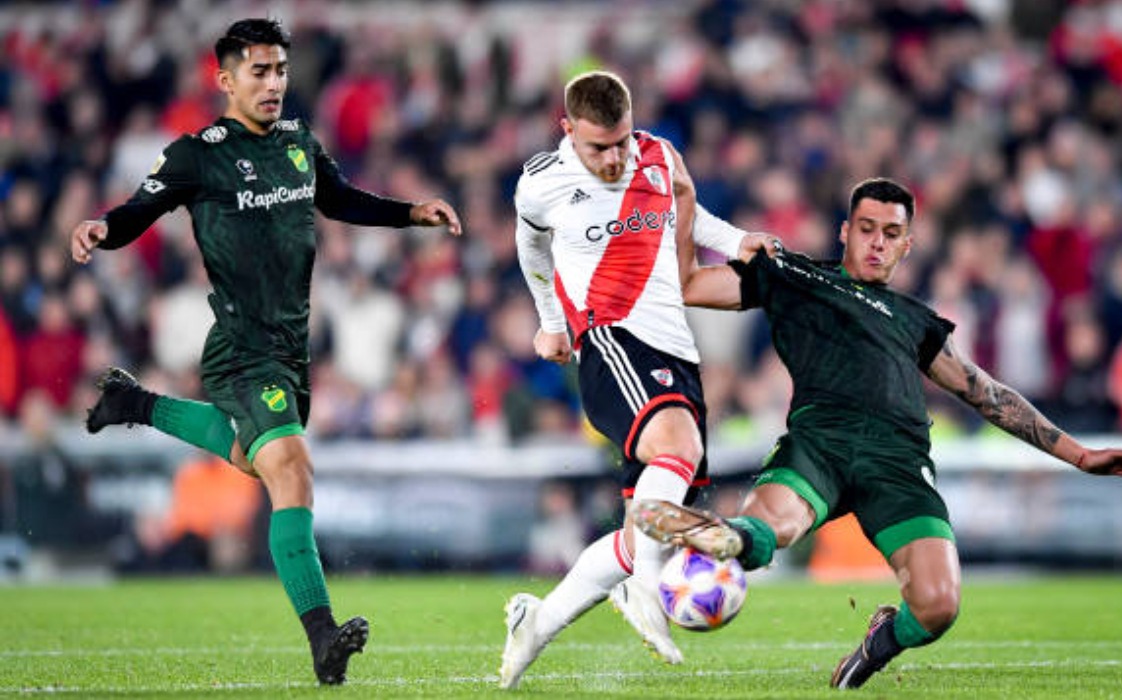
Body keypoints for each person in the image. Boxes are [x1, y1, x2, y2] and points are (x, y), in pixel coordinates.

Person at [633, 178, 1122, 690]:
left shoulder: (916, 320)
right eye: (865, 229)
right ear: (844, 231)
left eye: (889, 232)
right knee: (776, 528)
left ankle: (880, 640)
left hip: (899, 462)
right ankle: (732, 539)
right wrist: (682, 204)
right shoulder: (792, 275)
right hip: (822, 441)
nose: (876, 242)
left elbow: (986, 393)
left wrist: (1081, 455)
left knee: (938, 606)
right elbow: (688, 285)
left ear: (908, 244)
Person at [69, 18, 461, 685]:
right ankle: (322, 637)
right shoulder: (200, 153)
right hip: (241, 350)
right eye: (259, 71)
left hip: (290, 347)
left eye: (280, 69)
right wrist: (105, 228)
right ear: (224, 79)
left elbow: (338, 199)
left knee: (255, 458)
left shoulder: (298, 142)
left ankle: (133, 401)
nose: (274, 82)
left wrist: (409, 214)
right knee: (291, 471)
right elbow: (142, 206)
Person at [499, 70, 773, 689]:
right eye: (599, 147)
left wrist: (740, 241)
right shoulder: (542, 184)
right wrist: (552, 323)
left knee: (634, 533)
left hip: (675, 347)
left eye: (621, 141)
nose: (615, 156)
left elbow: (690, 217)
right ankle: (645, 589)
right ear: (568, 130)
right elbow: (530, 250)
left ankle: (536, 623)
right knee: (679, 449)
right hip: (610, 339)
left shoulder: (658, 154)